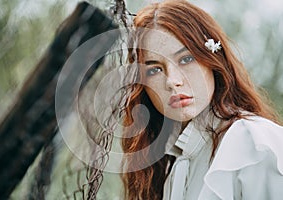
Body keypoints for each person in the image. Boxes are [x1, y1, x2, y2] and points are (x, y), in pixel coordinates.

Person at [120, 0, 283, 199]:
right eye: (155, 69)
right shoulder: (168, 163)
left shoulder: (254, 143)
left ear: (213, 62)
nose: (173, 81)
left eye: (186, 59)